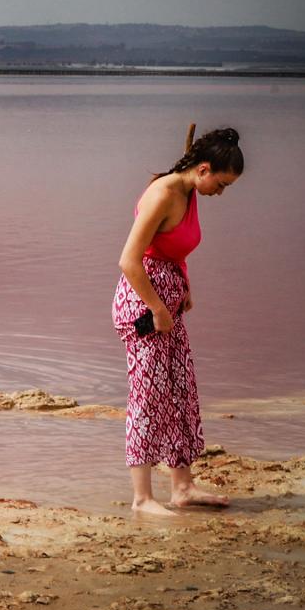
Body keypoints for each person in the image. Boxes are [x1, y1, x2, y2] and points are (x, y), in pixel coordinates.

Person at [114, 127, 245, 515]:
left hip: (168, 304)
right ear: (203, 169)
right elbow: (129, 260)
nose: (220, 193)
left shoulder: (190, 190)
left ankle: (182, 487)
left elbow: (174, 248)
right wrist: (157, 309)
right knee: (147, 399)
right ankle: (142, 498)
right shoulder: (164, 194)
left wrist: (184, 286)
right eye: (220, 184)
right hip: (144, 307)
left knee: (180, 392)